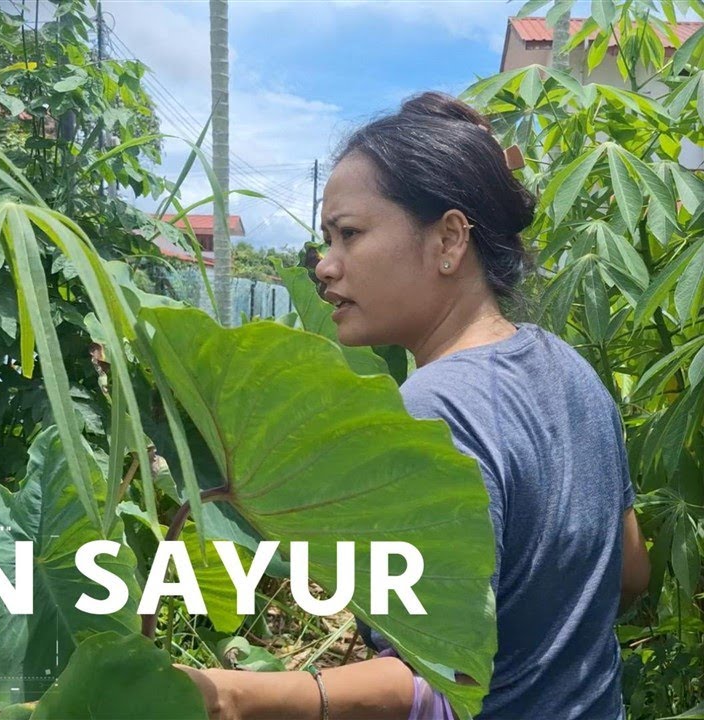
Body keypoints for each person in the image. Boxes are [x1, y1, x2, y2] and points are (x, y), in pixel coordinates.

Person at [177, 93, 651, 719]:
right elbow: (630, 574)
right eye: (326, 239)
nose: (325, 267)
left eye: (349, 234)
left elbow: (438, 681)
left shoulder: (432, 409)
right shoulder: (572, 370)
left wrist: (233, 696)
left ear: (449, 239)